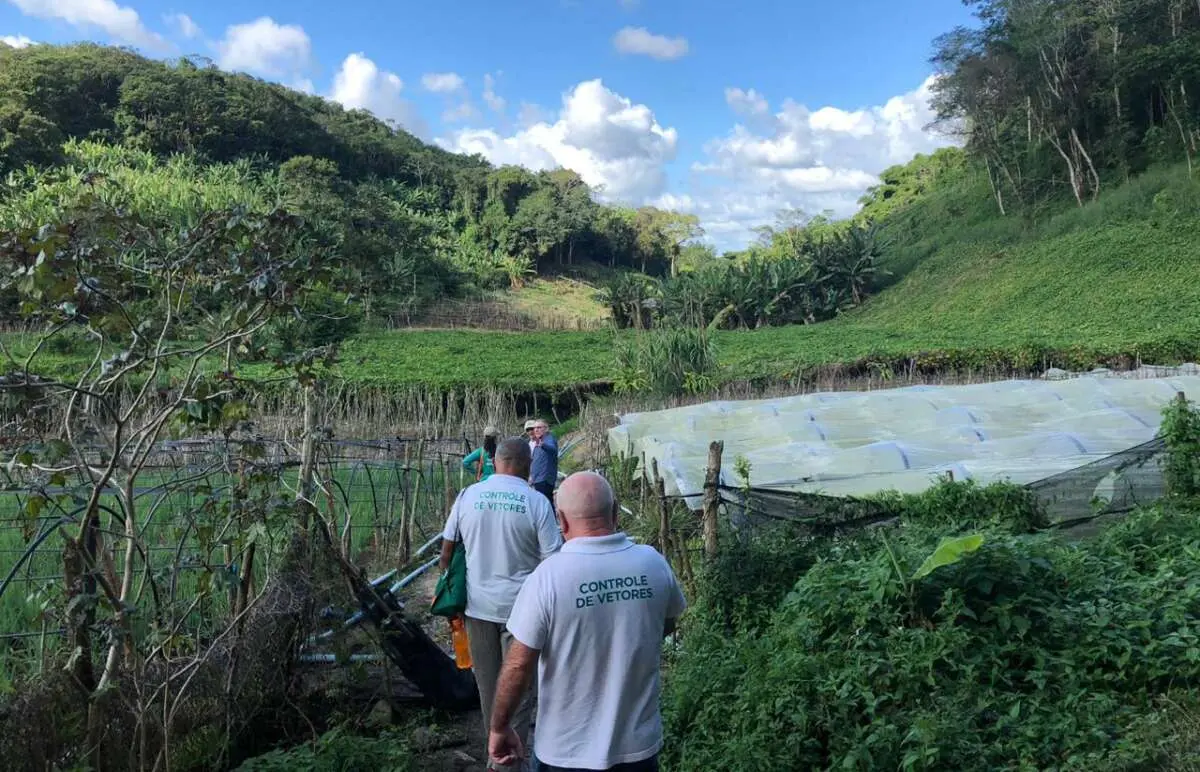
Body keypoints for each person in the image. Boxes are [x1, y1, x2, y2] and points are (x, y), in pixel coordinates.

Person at [488, 471, 687, 772]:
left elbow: (518, 665)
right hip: (638, 749)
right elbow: (665, 625)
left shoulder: (549, 577)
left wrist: (499, 726)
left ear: (562, 521)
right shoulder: (653, 563)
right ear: (616, 512)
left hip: (565, 753)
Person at [440, 438, 563, 772]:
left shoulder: (468, 496)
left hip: (477, 609)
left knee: (488, 686)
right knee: (520, 689)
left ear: (495, 461)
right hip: (523, 614)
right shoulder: (536, 502)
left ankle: (494, 755)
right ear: (525, 464)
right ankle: (509, 762)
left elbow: (447, 551)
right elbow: (554, 560)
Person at [525, 419, 558, 505]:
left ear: (546, 429)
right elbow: (535, 462)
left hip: (545, 479)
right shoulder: (537, 441)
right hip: (537, 479)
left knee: (545, 504)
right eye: (535, 428)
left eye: (539, 427)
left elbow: (553, 449)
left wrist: (543, 445)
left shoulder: (548, 438)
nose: (535, 430)